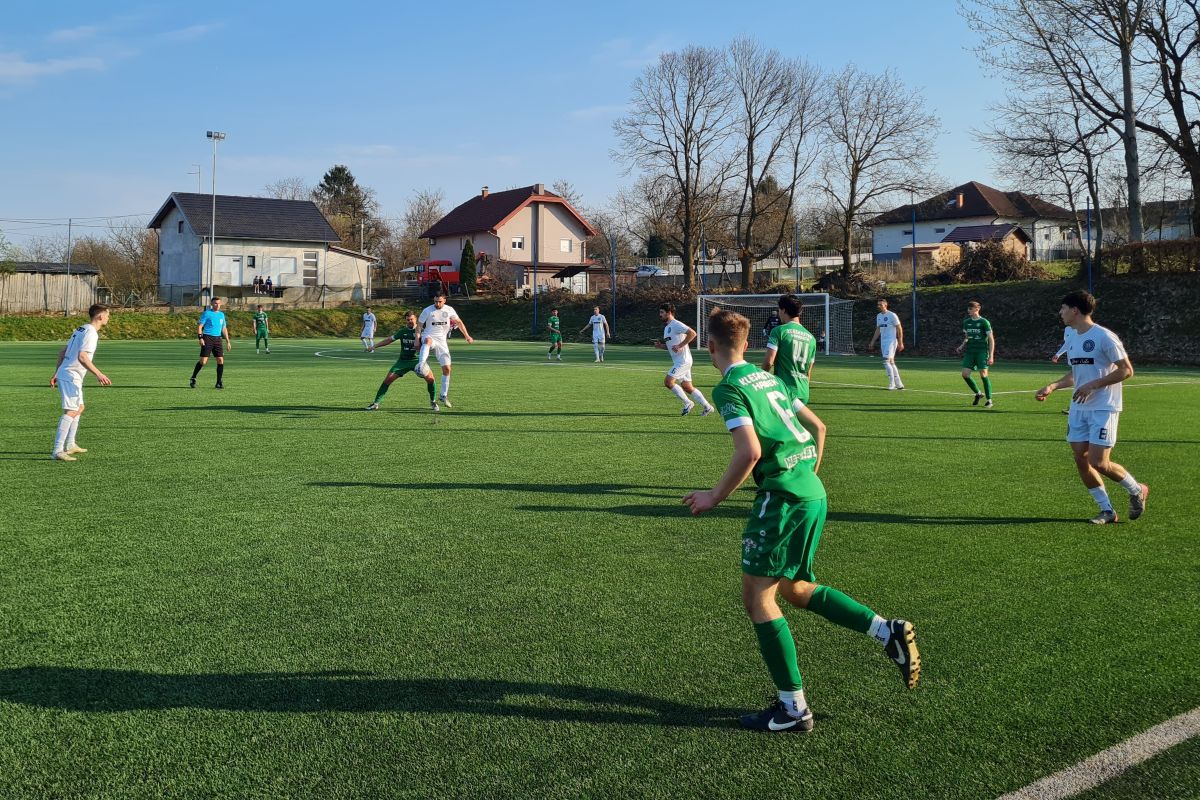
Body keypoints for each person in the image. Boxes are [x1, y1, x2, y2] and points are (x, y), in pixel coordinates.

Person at [683, 309, 920, 733]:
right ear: (748, 343)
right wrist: (805, 474)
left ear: (710, 346)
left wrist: (714, 496)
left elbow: (750, 452)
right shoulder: (771, 379)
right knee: (794, 589)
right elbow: (818, 427)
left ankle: (793, 709)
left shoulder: (729, 388)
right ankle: (887, 632)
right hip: (811, 492)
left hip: (783, 499)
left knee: (758, 599)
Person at [1035, 291, 1148, 525]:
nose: (1060, 313)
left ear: (1075, 310)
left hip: (1104, 407)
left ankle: (1137, 489)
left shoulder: (1105, 337)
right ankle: (1107, 510)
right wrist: (1053, 386)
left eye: (1063, 308)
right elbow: (1077, 374)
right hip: (1079, 408)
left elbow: (1126, 370)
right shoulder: (1072, 338)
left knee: (1099, 462)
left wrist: (1093, 385)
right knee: (1081, 458)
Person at [49, 304, 112, 462]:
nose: (108, 318)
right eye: (107, 315)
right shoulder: (91, 333)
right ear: (100, 316)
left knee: (79, 408)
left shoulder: (81, 329)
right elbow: (82, 356)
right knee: (71, 411)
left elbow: (63, 352)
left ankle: (71, 444)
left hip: (69, 374)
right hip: (71, 375)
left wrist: (57, 372)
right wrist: (99, 374)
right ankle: (57, 450)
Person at [366, 311, 439, 411]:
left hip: (418, 361)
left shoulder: (423, 332)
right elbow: (389, 340)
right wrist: (374, 346)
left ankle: (433, 401)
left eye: (412, 319)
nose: (410, 321)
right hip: (403, 361)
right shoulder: (402, 331)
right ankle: (375, 403)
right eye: (408, 320)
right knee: (388, 380)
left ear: (416, 319)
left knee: (431, 379)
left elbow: (430, 342)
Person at [655, 303, 714, 416]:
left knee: (668, 382)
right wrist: (661, 346)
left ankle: (688, 402)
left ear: (669, 313)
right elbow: (672, 347)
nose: (660, 315)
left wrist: (680, 345)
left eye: (662, 312)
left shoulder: (676, 324)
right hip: (680, 361)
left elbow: (692, 333)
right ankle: (708, 407)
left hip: (683, 361)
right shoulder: (667, 328)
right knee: (687, 387)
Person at [417, 292, 475, 408]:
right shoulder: (427, 310)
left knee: (447, 369)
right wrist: (416, 340)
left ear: (444, 300)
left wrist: (467, 336)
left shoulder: (449, 310)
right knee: (428, 341)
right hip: (429, 335)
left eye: (440, 301)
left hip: (442, 341)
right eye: (435, 301)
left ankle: (443, 395)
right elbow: (419, 326)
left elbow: (459, 322)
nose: (437, 304)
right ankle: (421, 364)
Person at [762, 294, 817, 404]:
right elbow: (808, 372)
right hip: (803, 392)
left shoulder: (779, 331)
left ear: (783, 310)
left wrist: (760, 381)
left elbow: (769, 362)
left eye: (779, 310)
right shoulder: (811, 338)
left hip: (784, 391)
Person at [955, 300, 994, 407]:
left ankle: (989, 400)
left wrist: (991, 355)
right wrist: (962, 345)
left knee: (983, 375)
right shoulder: (966, 322)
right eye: (968, 309)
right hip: (970, 352)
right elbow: (967, 337)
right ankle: (978, 393)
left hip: (981, 352)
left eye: (970, 309)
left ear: (977, 309)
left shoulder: (984, 322)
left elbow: (991, 339)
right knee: (965, 374)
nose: (968, 311)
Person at [190, 297, 232, 389]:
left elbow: (224, 328)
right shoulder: (207, 313)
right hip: (207, 338)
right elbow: (200, 326)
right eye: (215, 303)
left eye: (219, 303)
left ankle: (219, 382)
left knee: (220, 360)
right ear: (212, 304)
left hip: (218, 339)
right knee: (203, 361)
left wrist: (228, 341)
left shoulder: (221, 315)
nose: (217, 305)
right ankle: (193, 377)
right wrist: (200, 338)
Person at [867, 298, 905, 390]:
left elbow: (899, 328)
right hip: (883, 341)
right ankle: (899, 384)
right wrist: (872, 341)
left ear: (885, 305)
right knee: (891, 362)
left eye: (880, 304)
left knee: (886, 361)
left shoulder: (892, 315)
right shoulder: (879, 316)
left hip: (891, 341)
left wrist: (900, 342)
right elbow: (878, 329)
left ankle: (892, 384)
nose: (879, 306)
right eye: (878, 305)